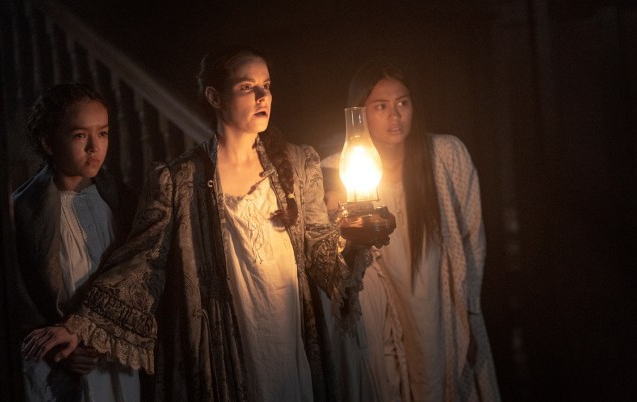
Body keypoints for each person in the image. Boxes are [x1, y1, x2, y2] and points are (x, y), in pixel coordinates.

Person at [22, 47, 375, 402]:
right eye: (246, 87)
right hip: (229, 340)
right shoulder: (179, 179)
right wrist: (81, 324)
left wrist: (356, 238)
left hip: (286, 331)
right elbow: (142, 263)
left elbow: (322, 255)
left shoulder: (297, 166)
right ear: (215, 97)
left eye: (266, 85)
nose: (262, 96)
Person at [322, 61, 501, 401]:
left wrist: (468, 313)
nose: (395, 115)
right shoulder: (336, 172)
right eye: (381, 106)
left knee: (442, 377)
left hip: (438, 305)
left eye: (402, 103)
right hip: (382, 314)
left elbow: (471, 239)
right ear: (360, 113)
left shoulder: (445, 156)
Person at [12, 83, 140, 401]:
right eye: (80, 135)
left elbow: (135, 274)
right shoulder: (25, 210)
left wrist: (101, 332)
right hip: (56, 359)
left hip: (113, 352)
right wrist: (61, 352)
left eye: (103, 133)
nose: (94, 147)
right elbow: (17, 296)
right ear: (49, 142)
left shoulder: (121, 201)